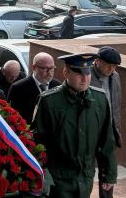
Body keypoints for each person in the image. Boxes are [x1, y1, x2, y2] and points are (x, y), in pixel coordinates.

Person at [32, 53, 117, 197]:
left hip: (86, 178)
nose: (84, 78)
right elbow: (37, 142)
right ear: (66, 72)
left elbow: (107, 140)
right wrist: (43, 179)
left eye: (88, 72)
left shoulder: (100, 99)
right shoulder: (48, 101)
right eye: (78, 73)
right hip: (57, 180)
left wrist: (108, 174)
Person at [91, 46, 122, 198]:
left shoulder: (115, 76)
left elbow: (116, 104)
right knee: (87, 172)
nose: (112, 69)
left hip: (108, 130)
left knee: (108, 173)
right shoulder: (86, 75)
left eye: (115, 66)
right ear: (97, 61)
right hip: (90, 131)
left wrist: (116, 130)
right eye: (108, 65)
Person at [8, 52, 61, 124]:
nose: (49, 72)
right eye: (44, 68)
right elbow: (12, 117)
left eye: (52, 68)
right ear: (34, 67)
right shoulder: (18, 88)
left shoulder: (58, 86)